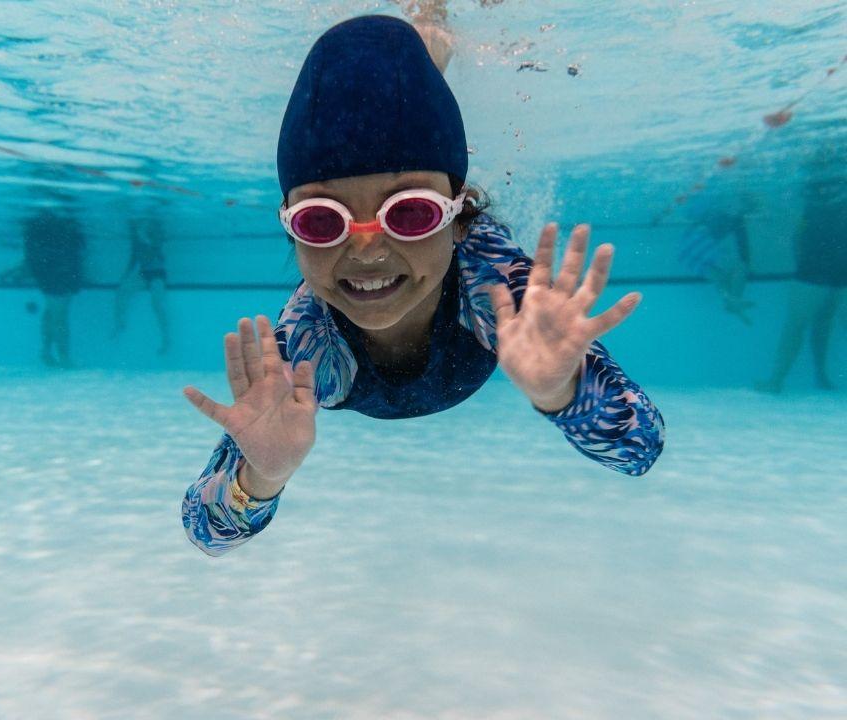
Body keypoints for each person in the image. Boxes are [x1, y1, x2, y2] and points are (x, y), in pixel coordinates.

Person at [180, 15, 666, 557]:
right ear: (292, 231)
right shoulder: (305, 349)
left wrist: (564, 391)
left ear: (458, 218)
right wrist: (262, 475)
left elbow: (640, 450)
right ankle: (423, 69)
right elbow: (204, 533)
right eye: (323, 221)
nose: (365, 250)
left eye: (410, 213)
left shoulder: (501, 292)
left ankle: (427, 59)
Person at [757, 148, 845, 392]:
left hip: (820, 263)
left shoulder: (806, 186)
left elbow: (793, 228)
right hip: (827, 263)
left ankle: (783, 380)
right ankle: (784, 379)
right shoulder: (814, 186)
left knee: (807, 324)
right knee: (812, 323)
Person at [0, 207, 86, 368]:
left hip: (49, 268)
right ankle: (63, 356)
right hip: (58, 270)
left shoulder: (38, 229)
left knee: (52, 311)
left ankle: (47, 353)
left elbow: (31, 255)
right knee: (59, 315)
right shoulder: (59, 227)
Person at [677, 192, 755, 324]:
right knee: (734, 270)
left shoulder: (726, 215)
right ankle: (732, 302)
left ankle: (731, 301)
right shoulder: (723, 212)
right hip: (696, 245)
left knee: (721, 276)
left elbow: (688, 212)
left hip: (689, 249)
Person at [113, 216, 172, 354]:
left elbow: (152, 253)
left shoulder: (155, 228)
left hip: (158, 274)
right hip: (143, 273)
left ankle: (166, 340)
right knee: (121, 292)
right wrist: (125, 277)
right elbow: (134, 257)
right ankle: (119, 323)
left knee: (157, 305)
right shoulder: (136, 234)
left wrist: (142, 234)